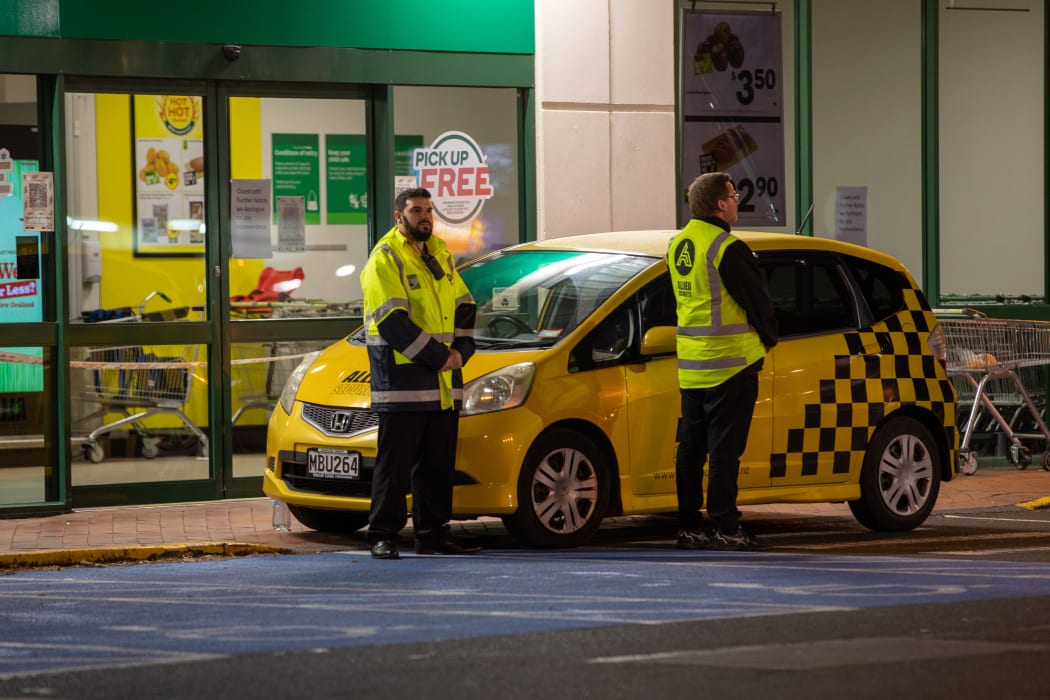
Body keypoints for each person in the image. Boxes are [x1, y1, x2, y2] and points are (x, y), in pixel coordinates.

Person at [359, 187, 480, 559]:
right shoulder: (384, 259)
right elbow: (392, 323)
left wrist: (461, 350)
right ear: (399, 217)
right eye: (416, 210)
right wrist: (439, 357)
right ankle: (383, 534)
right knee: (393, 468)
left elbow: (465, 304)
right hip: (403, 383)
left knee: (437, 465)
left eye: (428, 210)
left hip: (443, 383)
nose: (425, 216)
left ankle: (433, 533)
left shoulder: (440, 254)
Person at [668, 172, 778, 551]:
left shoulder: (678, 244)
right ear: (719, 203)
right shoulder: (726, 247)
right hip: (731, 366)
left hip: (692, 365)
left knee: (691, 450)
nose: (736, 202)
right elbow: (757, 300)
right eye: (733, 196)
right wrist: (769, 339)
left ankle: (688, 526)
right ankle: (726, 526)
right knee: (724, 453)